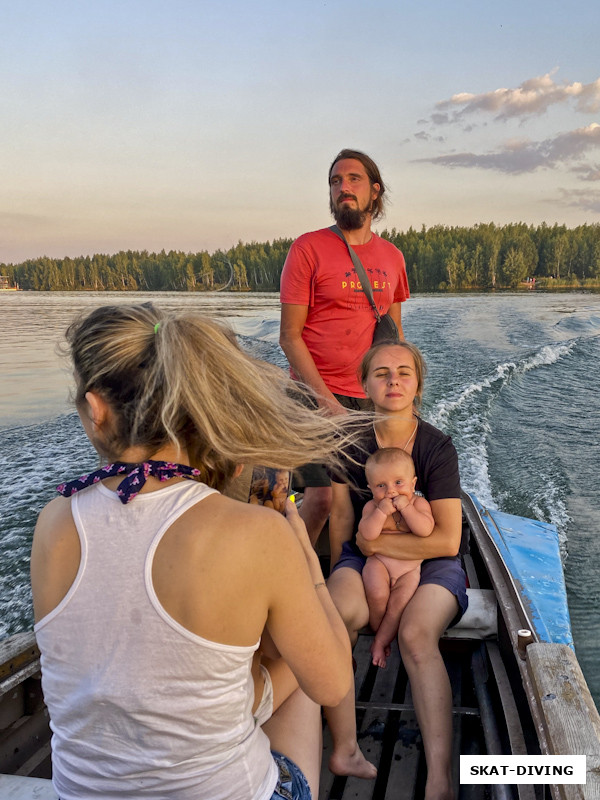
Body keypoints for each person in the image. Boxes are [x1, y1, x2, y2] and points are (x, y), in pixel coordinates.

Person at [30, 303, 357, 800]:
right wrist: (306, 563)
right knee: (303, 685)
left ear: (96, 409)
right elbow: (332, 685)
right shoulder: (257, 533)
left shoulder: (54, 519)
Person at [324, 341, 468, 800]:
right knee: (332, 616)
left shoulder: (436, 448)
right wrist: (338, 567)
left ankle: (439, 780)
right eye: (382, 373)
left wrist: (376, 541)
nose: (393, 381)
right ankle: (344, 747)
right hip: (364, 561)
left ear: (417, 383)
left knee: (416, 633)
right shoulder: (345, 443)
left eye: (404, 372)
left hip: (434, 564)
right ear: (363, 383)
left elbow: (447, 540)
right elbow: (345, 523)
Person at [279, 148, 410, 544]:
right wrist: (326, 403)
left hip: (369, 401)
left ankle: (344, 585)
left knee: (365, 502)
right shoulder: (308, 248)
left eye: (353, 179)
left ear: (375, 191)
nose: (342, 188)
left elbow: (395, 339)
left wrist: (399, 398)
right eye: (335, 182)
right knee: (319, 499)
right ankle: (292, 584)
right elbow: (289, 336)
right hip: (312, 396)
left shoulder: (392, 257)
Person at [359, 448, 434, 668]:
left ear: (413, 484)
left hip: (409, 570)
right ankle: (379, 633)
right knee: (377, 595)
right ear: (371, 489)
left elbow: (425, 530)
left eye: (398, 483)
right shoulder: (371, 507)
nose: (391, 491)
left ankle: (380, 642)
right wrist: (381, 513)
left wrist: (407, 509)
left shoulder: (419, 504)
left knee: (398, 606)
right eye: (381, 486)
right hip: (379, 563)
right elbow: (368, 535)